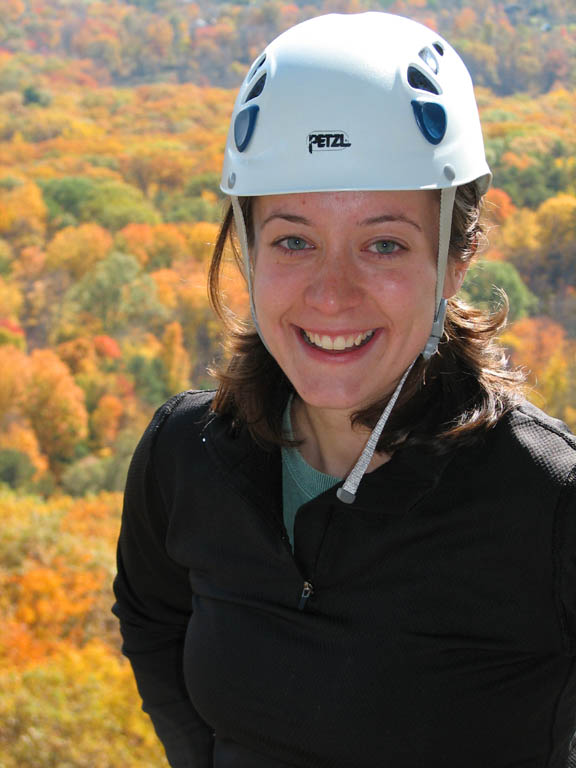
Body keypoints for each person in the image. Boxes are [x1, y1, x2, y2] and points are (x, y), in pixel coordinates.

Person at [112, 12, 576, 768]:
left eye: (384, 243)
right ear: (248, 247)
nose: (332, 295)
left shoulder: (548, 500)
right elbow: (151, 619)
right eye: (294, 239)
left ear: (454, 260)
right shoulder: (187, 455)